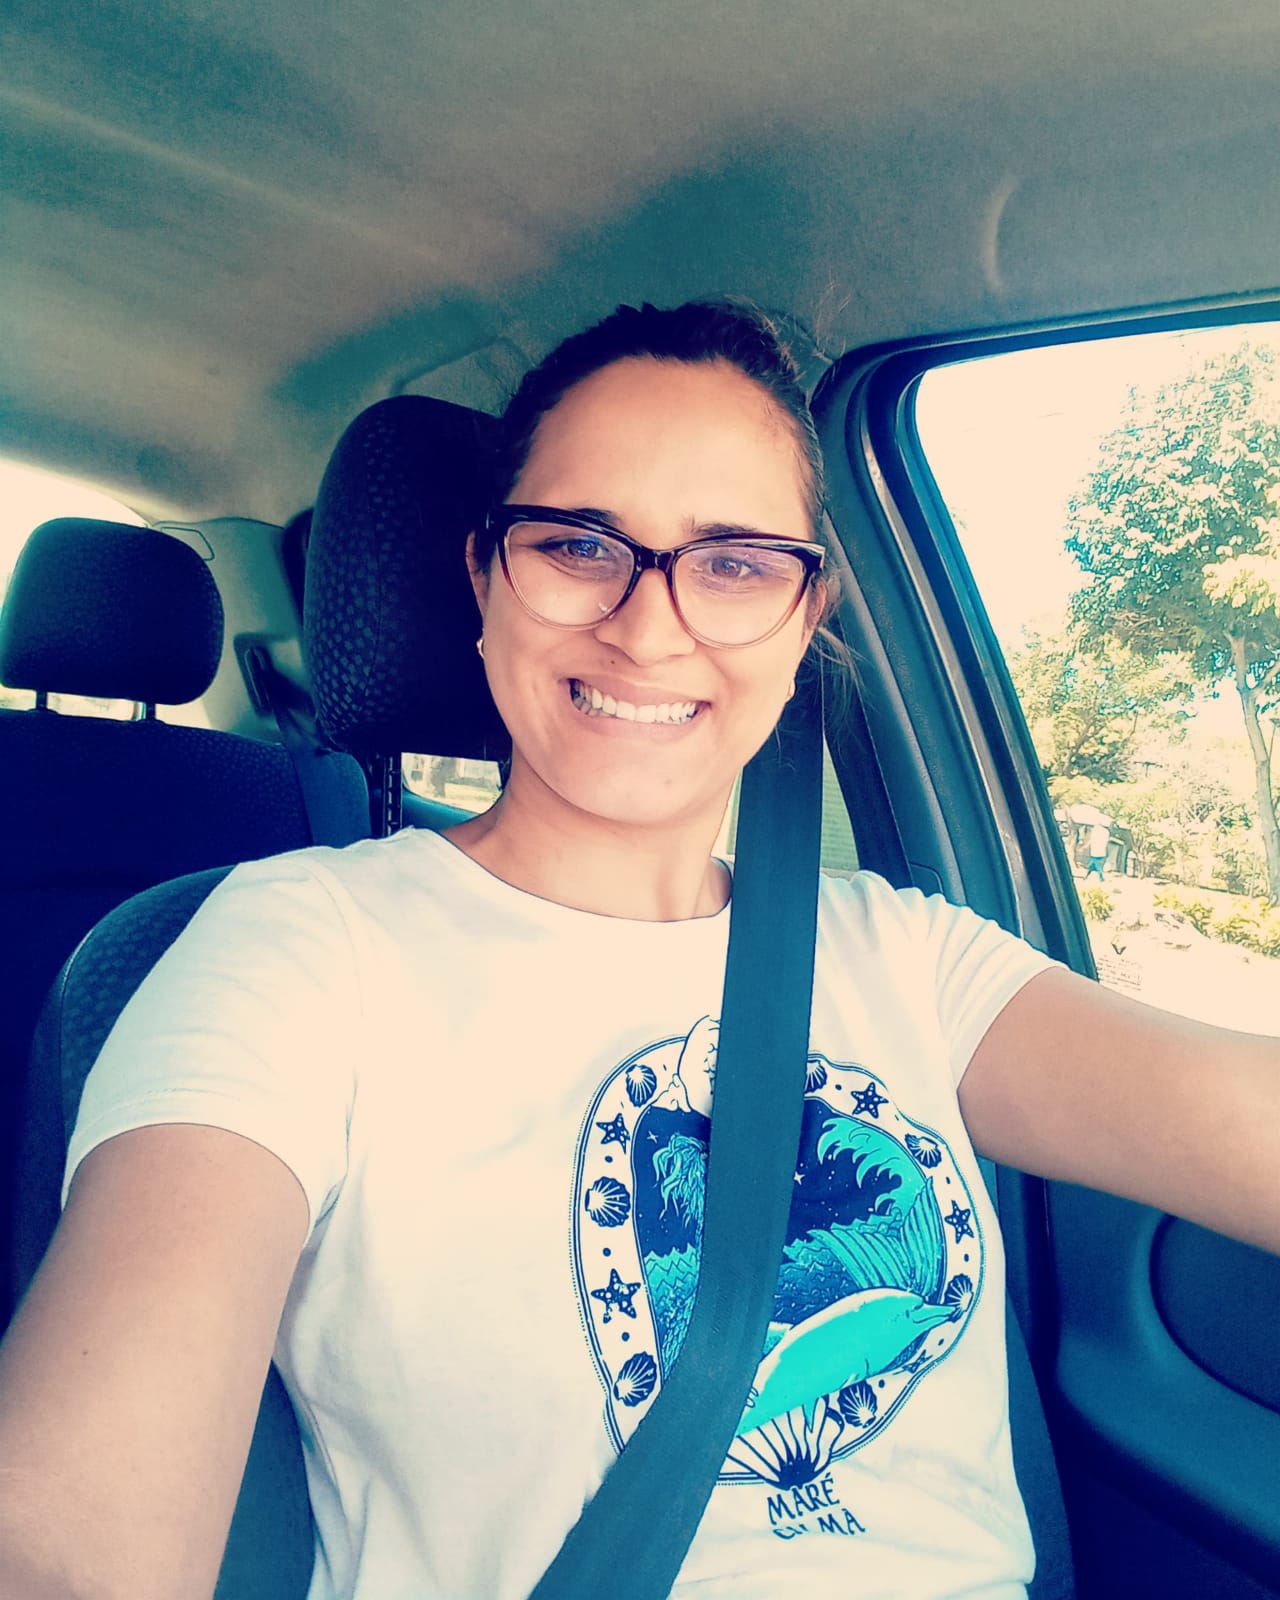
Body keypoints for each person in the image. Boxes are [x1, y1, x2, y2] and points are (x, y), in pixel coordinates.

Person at [1, 300, 1278, 1600]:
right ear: (484, 576)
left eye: (735, 564)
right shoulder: (293, 949)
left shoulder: (913, 956)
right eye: (577, 544)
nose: (650, 627)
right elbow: (77, 1536)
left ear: (806, 616)